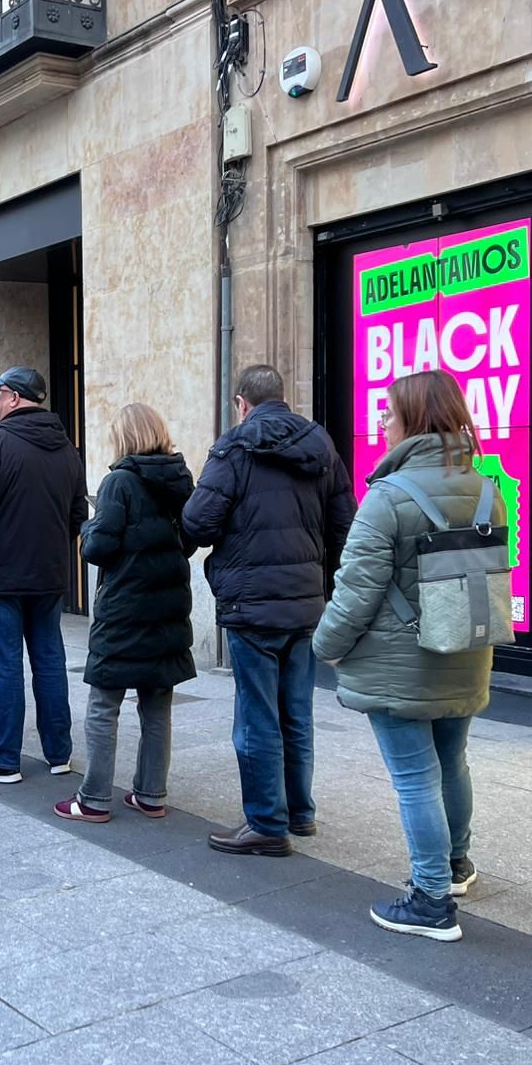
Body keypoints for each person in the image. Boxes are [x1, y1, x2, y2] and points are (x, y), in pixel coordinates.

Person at [312, 370, 500, 942]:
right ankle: (456, 865)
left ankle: (430, 899)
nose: (382, 423)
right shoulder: (485, 487)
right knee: (452, 762)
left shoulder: (388, 497)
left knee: (415, 778)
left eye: (389, 413)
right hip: (465, 648)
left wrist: (326, 647)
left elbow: (356, 589)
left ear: (414, 420)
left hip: (400, 660)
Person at [181, 364, 355, 857]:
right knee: (296, 711)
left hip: (251, 602)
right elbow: (345, 526)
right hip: (304, 604)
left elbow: (197, 523)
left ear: (242, 403)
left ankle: (265, 823)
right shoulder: (321, 445)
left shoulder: (234, 447)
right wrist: (319, 581)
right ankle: (299, 812)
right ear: (283, 397)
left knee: (256, 716)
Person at [54, 404, 196, 823]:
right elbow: (189, 542)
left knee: (104, 703)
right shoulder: (180, 480)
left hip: (125, 609)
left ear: (125, 438)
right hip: (168, 609)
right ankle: (151, 794)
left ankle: (94, 799)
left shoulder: (119, 482)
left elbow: (99, 548)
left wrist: (88, 527)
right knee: (157, 705)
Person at [0, 367, 88, 784]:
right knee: (49, 661)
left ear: (13, 397)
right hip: (47, 575)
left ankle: (5, 759)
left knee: (5, 667)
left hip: (0, 577)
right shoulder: (67, 450)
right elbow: (78, 514)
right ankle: (58, 753)